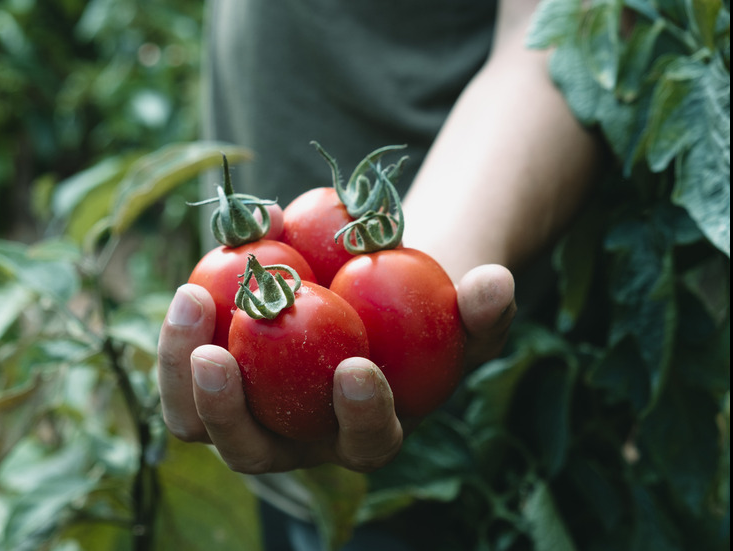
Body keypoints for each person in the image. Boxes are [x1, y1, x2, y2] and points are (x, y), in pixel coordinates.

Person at [158, 0, 601, 547]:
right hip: (269, 454)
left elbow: (561, 36)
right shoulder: (259, 280)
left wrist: (433, 291)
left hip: (469, 451)